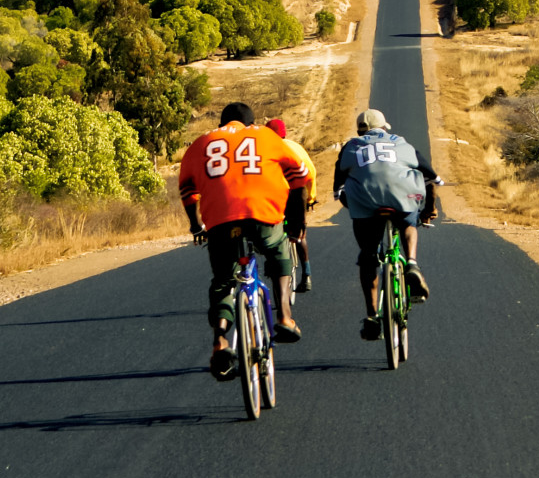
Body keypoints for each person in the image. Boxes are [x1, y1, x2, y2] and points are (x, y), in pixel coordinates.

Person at [180, 101, 312, 380]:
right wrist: (297, 223)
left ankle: (220, 341)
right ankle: (285, 317)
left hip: (220, 223)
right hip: (262, 216)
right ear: (252, 122)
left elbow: (188, 190)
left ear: (220, 125)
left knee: (223, 281)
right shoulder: (266, 136)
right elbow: (301, 176)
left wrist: (196, 226)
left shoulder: (202, 143)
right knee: (278, 252)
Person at [333, 108, 440, 341]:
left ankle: (372, 315)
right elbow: (431, 178)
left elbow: (338, 189)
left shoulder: (351, 146)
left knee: (368, 256)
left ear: (359, 129)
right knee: (409, 222)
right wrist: (429, 209)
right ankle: (411, 263)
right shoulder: (401, 143)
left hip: (366, 203)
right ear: (383, 127)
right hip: (402, 197)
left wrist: (351, 203)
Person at [265, 118, 318, 292]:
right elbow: (310, 172)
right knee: (301, 234)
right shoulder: (295, 147)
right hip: (297, 195)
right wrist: (310, 198)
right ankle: (307, 274)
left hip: (275, 197)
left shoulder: (265, 149)